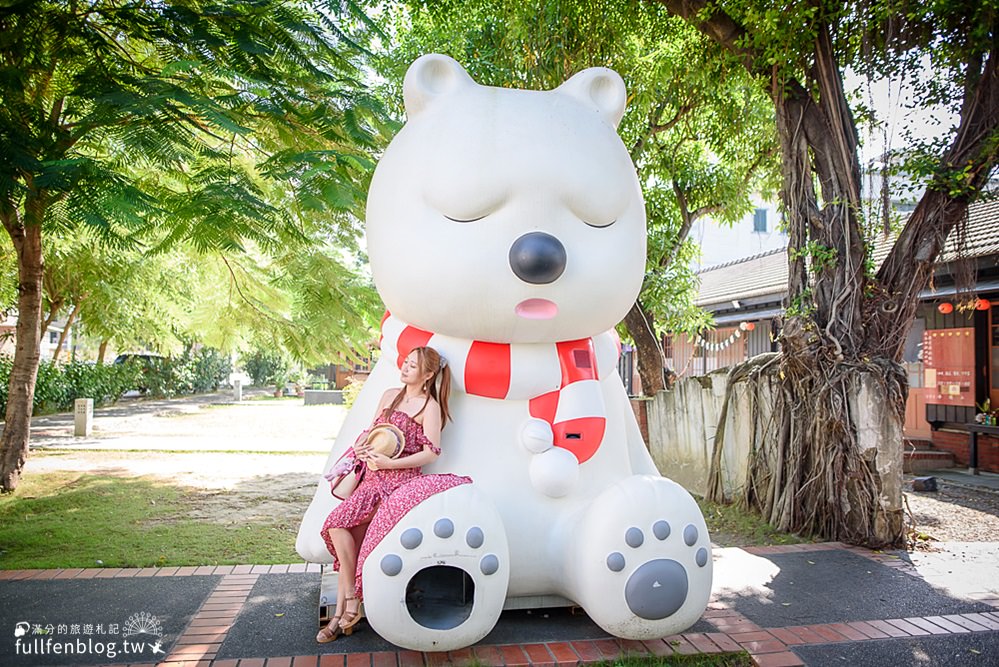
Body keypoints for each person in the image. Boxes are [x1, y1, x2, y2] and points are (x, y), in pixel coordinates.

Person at [316, 346, 471, 643]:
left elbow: (431, 453)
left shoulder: (430, 406)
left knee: (358, 537)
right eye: (406, 362)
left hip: (399, 484)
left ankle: (342, 614)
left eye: (412, 366)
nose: (404, 368)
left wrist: (392, 464)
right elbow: (372, 431)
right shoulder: (389, 395)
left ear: (427, 375)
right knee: (337, 524)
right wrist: (361, 445)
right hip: (371, 479)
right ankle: (350, 599)